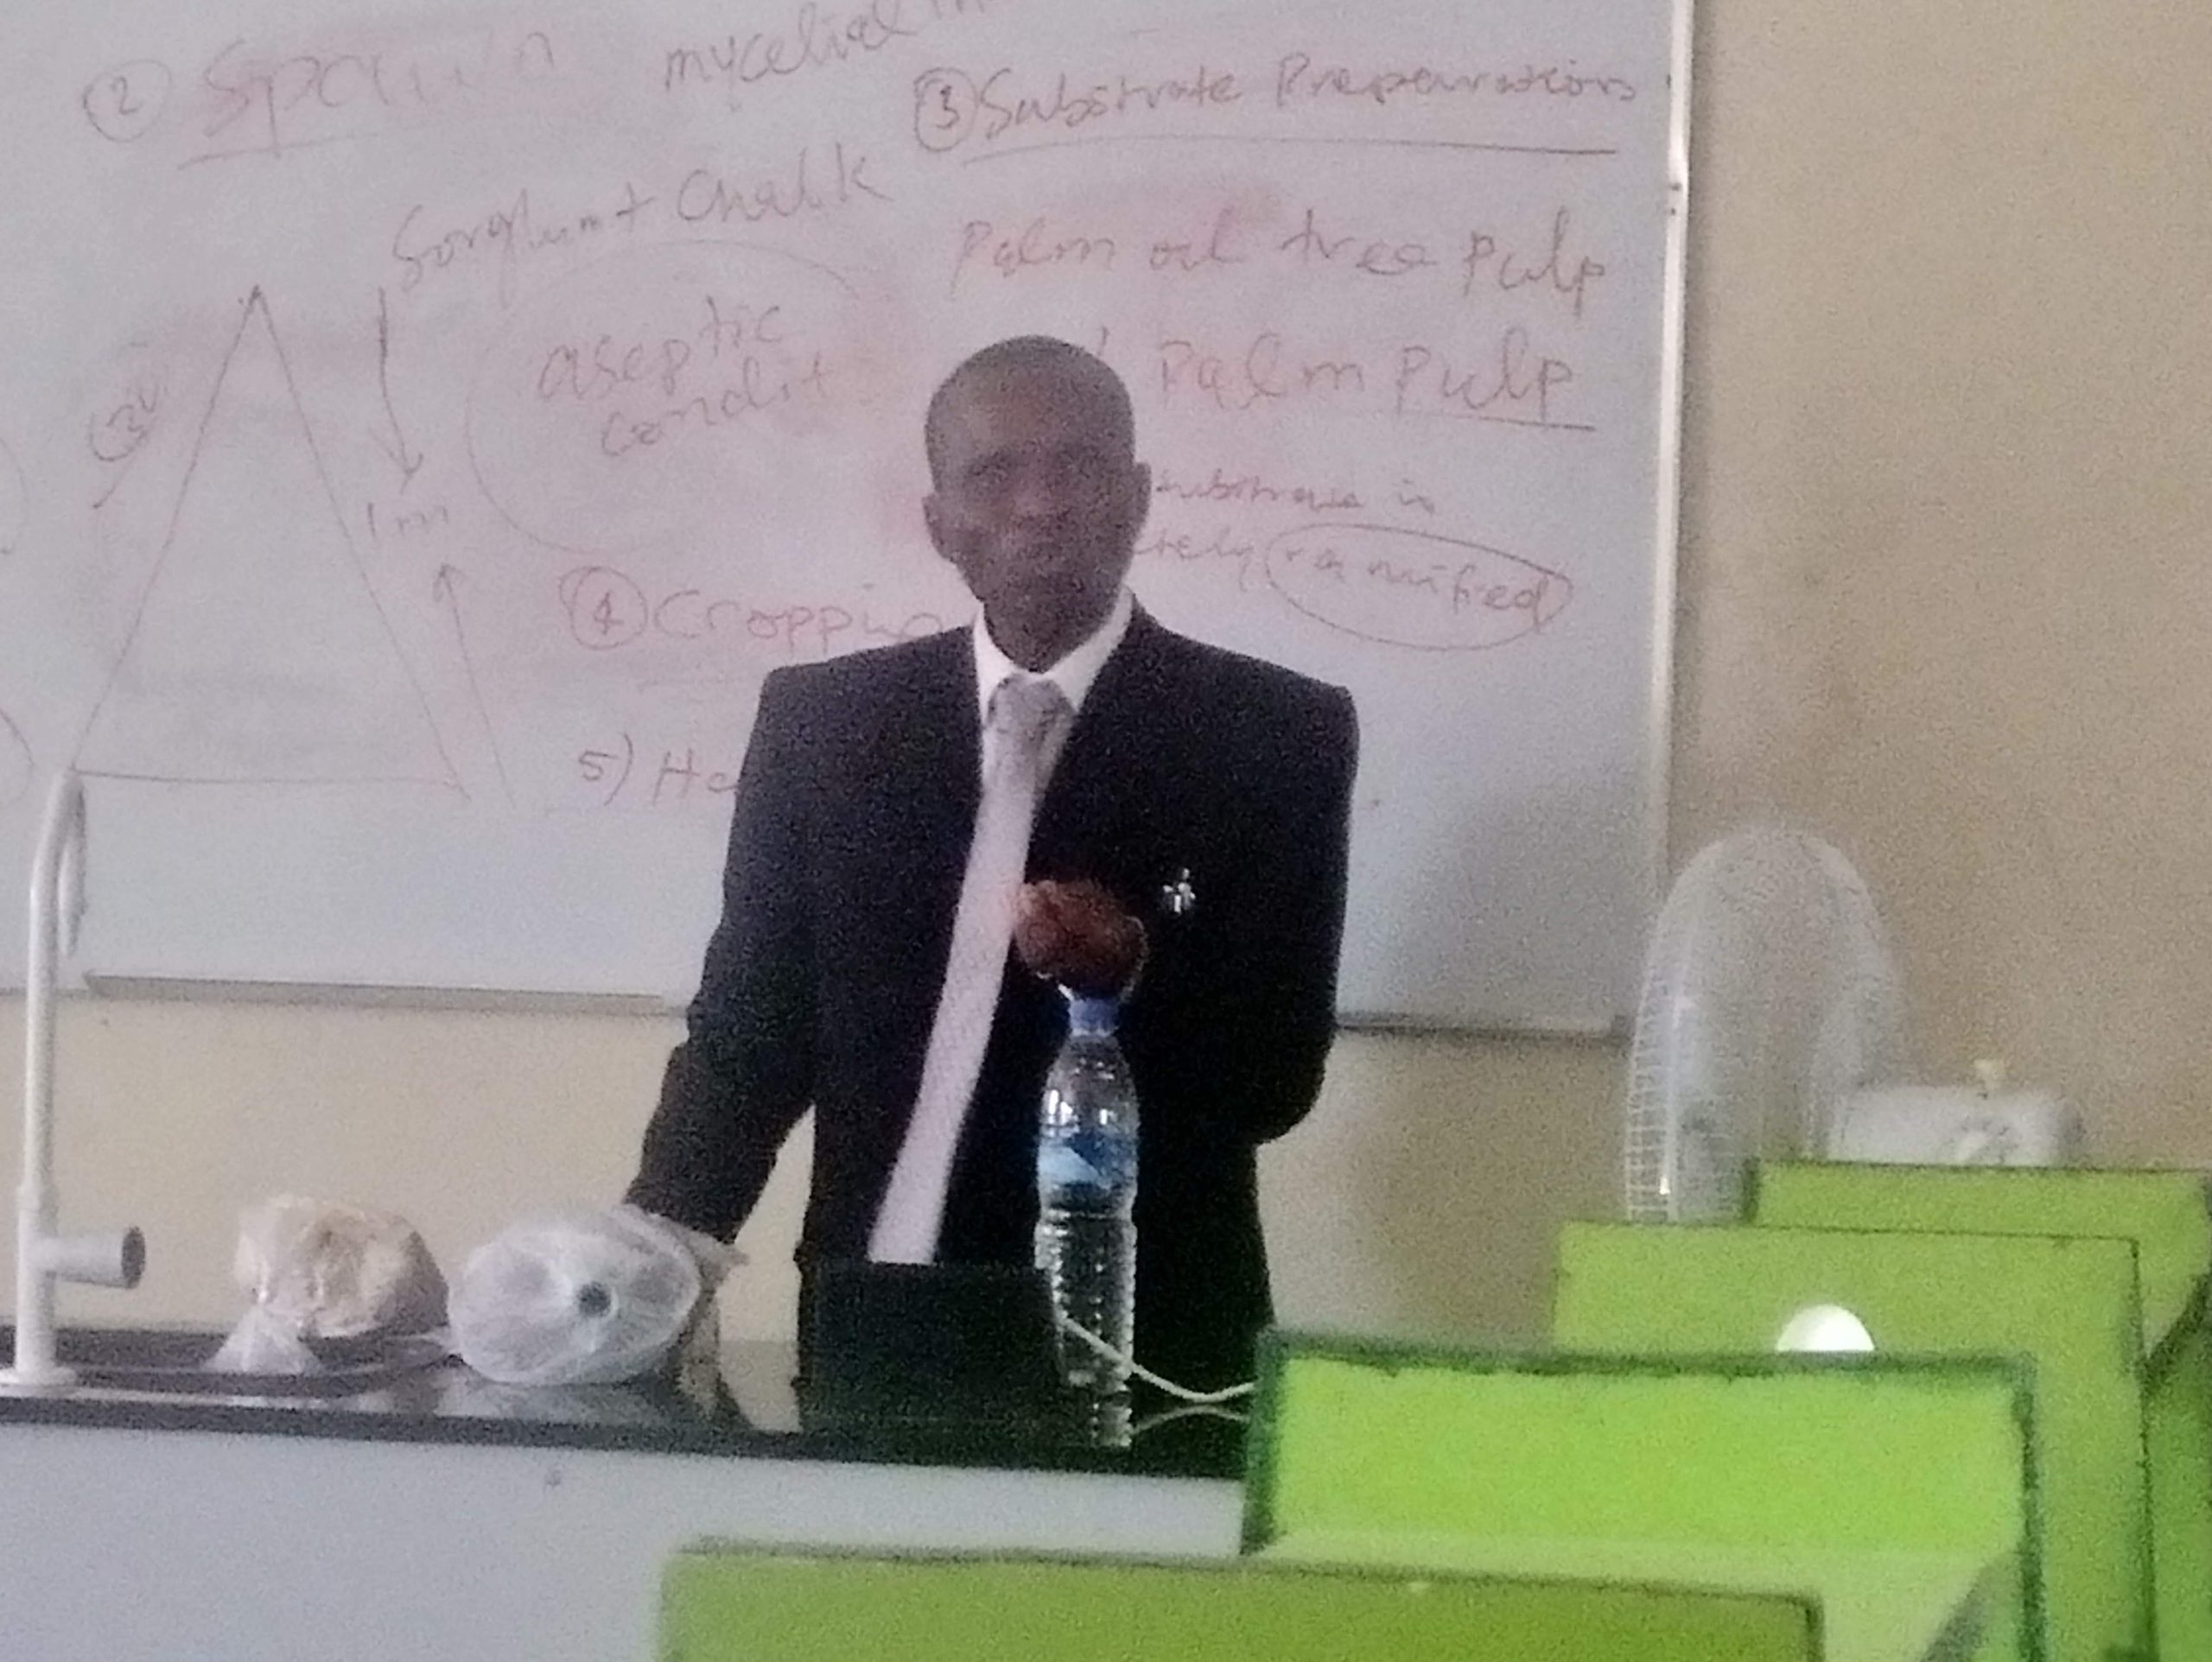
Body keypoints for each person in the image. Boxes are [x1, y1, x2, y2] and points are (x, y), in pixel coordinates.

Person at [626, 336, 1357, 1393]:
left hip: (1143, 1345)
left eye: (1078, 466)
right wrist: (640, 1265)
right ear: (940, 524)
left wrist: (1129, 977)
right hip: (869, 1321)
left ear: (1137, 499)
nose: (1040, 504)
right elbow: (750, 1036)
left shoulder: (1268, 733)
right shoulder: (828, 726)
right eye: (994, 473)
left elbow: (1274, 1082)